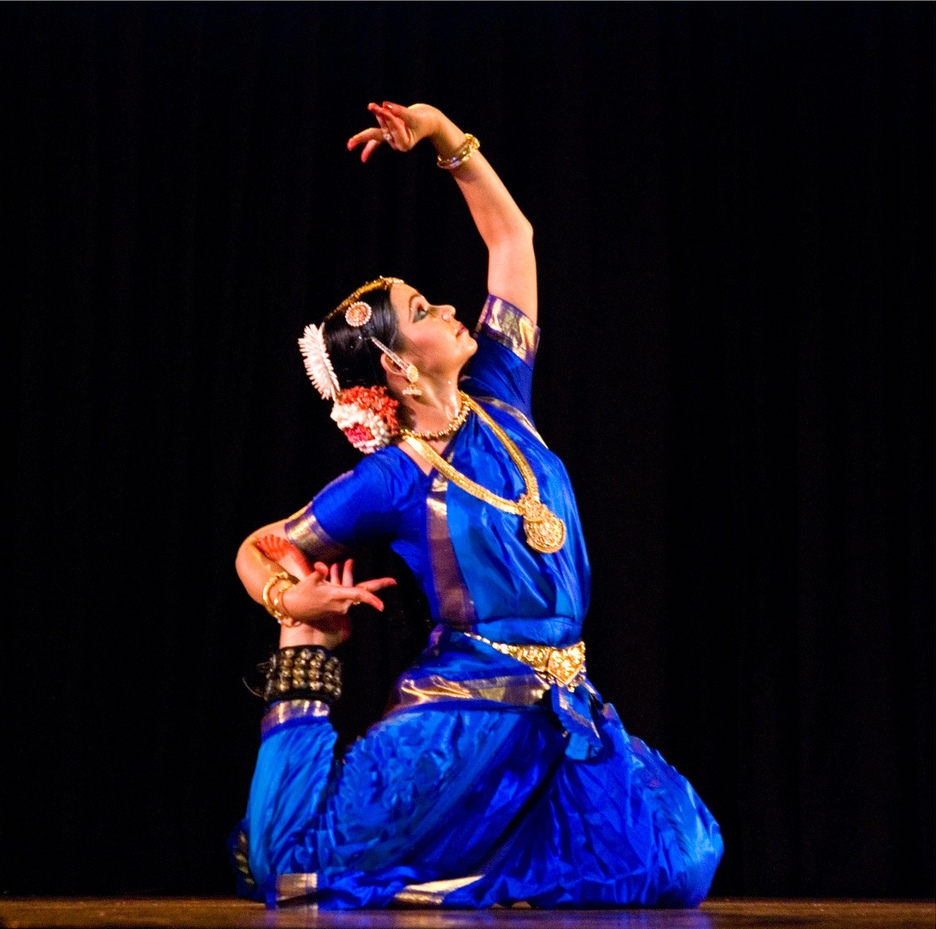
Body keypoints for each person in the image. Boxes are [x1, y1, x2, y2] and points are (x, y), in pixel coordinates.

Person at [230, 100, 724, 910]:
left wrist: (444, 138)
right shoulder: (391, 478)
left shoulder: (502, 392)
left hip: (565, 712)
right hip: (465, 717)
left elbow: (512, 239)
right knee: (297, 865)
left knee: (682, 858)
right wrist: (295, 600)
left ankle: (476, 868)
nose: (452, 309)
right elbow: (260, 545)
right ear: (392, 367)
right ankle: (308, 707)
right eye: (424, 312)